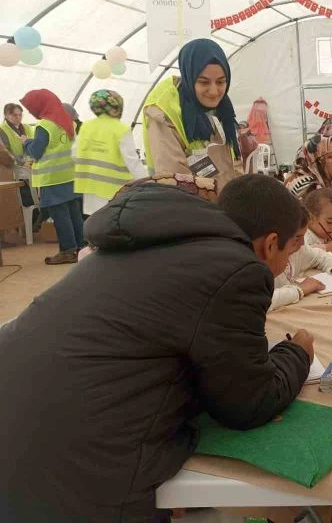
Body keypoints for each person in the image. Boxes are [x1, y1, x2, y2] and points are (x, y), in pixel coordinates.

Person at [0, 175, 314, 522]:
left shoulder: (142, 245)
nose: (286, 264)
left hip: (19, 429)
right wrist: (298, 353)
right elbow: (249, 403)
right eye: (290, 250)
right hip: (77, 471)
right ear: (270, 244)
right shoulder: (235, 268)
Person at [142, 38, 240, 190]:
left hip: (222, 203)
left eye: (221, 82)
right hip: (189, 208)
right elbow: (176, 182)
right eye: (204, 82)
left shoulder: (224, 109)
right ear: (189, 77)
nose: (214, 92)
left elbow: (232, 163)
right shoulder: (164, 113)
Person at [20, 89, 84, 265]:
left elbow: (36, 151)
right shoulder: (68, 122)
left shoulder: (44, 125)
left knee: (60, 215)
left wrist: (26, 141)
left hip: (52, 178)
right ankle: (82, 248)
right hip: (70, 176)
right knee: (74, 214)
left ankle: (68, 251)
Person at [73, 90, 146, 216]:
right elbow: (132, 161)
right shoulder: (120, 129)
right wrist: (148, 182)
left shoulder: (86, 126)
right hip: (115, 190)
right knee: (112, 226)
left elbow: (74, 154)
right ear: (117, 107)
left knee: (94, 226)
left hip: (89, 187)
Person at [270, 206, 332, 310]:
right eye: (297, 237)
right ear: (272, 240)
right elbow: (262, 300)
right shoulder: (257, 264)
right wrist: (299, 289)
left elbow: (319, 256)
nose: (302, 243)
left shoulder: (298, 249)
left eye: (303, 236)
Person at [1, 102, 38, 215]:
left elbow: (34, 144)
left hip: (30, 163)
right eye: (14, 115)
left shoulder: (27, 127)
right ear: (6, 115)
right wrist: (22, 162)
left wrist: (30, 159)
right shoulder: (2, 130)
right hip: (14, 167)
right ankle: (31, 214)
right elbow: (6, 152)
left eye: (20, 115)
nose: (18, 117)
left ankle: (37, 213)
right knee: (25, 191)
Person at [303, 187, 332, 252]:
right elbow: (305, 252)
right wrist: (328, 248)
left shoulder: (330, 228)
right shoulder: (305, 234)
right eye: (329, 222)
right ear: (311, 218)